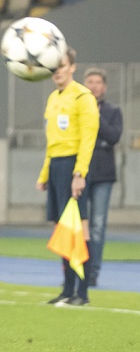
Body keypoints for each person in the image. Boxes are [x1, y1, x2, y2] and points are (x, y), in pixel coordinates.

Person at [36, 48, 99, 306]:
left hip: (73, 166)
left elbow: (88, 139)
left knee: (79, 228)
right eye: (53, 68)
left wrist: (79, 173)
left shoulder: (83, 97)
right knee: (63, 230)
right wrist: (44, 174)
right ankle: (67, 290)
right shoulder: (53, 98)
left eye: (61, 66)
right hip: (56, 167)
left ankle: (82, 293)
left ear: (72, 67)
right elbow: (52, 141)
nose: (57, 72)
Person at [81, 67, 122, 288]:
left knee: (97, 224)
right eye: (90, 82)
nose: (93, 86)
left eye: (97, 82)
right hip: (80, 172)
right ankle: (77, 270)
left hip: (103, 174)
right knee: (79, 223)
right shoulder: (76, 108)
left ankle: (93, 272)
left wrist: (96, 116)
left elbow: (113, 136)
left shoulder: (113, 111)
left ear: (104, 87)